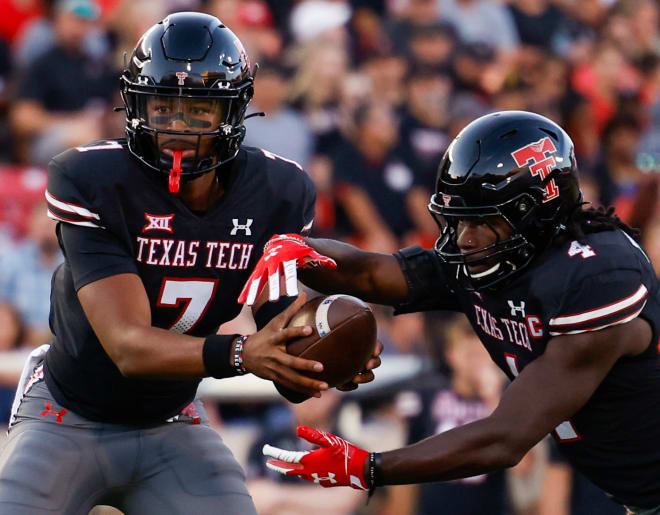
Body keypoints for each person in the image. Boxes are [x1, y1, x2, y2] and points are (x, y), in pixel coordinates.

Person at [0, 12, 379, 515]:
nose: (177, 126)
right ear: (137, 105)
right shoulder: (92, 179)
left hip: (170, 419)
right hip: (66, 412)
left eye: (198, 110)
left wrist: (320, 360)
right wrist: (243, 353)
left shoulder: (277, 193)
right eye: (163, 107)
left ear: (233, 111)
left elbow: (284, 352)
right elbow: (128, 346)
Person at [246, 110, 660, 514]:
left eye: (481, 221)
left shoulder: (599, 278)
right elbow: (373, 273)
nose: (464, 239)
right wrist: (299, 250)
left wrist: (370, 468)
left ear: (534, 215)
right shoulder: (497, 259)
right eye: (458, 221)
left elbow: (505, 438)